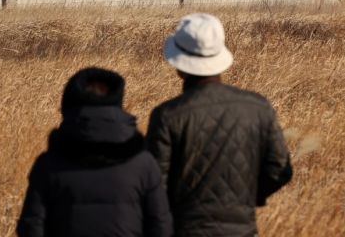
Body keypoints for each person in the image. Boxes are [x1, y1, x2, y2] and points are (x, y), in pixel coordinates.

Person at [147, 13, 293, 236]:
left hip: (186, 229)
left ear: (180, 65)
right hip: (243, 229)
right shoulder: (258, 107)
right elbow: (279, 169)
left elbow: (155, 183)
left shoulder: (167, 115)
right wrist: (245, 198)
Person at [17, 67, 173, 237]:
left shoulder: (48, 164)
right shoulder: (144, 164)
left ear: (68, 106)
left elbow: (31, 226)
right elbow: (161, 227)